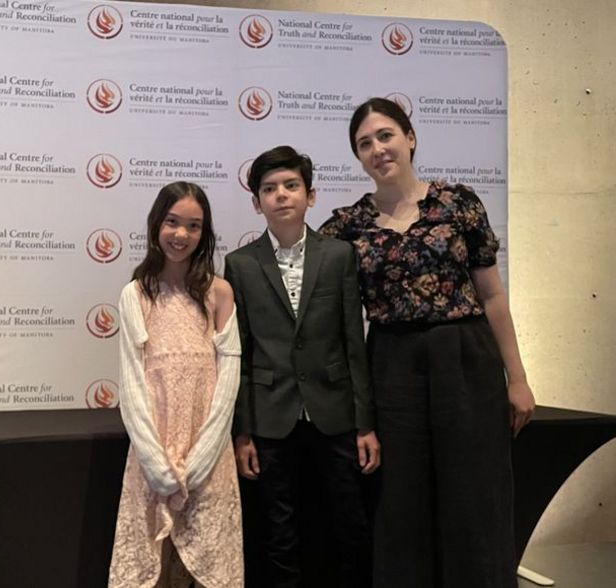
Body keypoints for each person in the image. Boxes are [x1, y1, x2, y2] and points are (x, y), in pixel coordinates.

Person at [319, 97, 536, 588]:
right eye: (365, 143)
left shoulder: (459, 204)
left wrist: (518, 377)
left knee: (475, 495)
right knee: (401, 500)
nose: (378, 149)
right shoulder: (346, 226)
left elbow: (493, 297)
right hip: (392, 366)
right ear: (358, 157)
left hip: (465, 358)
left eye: (386, 135)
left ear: (410, 138)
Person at [224, 145, 379, 587]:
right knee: (279, 532)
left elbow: (353, 344)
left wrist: (365, 425)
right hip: (271, 417)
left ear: (310, 195)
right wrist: (243, 431)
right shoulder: (240, 265)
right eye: (269, 188)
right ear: (257, 202)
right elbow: (241, 354)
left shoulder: (339, 256)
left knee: (349, 525)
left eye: (291, 185)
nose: (281, 195)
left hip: (335, 414)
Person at [109, 182, 243, 587]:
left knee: (209, 559)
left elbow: (228, 377)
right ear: (156, 224)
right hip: (155, 448)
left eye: (193, 226)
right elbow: (132, 381)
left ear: (204, 233)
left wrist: (203, 455)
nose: (181, 234)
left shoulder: (219, 293)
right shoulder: (135, 294)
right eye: (172, 222)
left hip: (209, 450)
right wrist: (155, 463)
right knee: (151, 563)